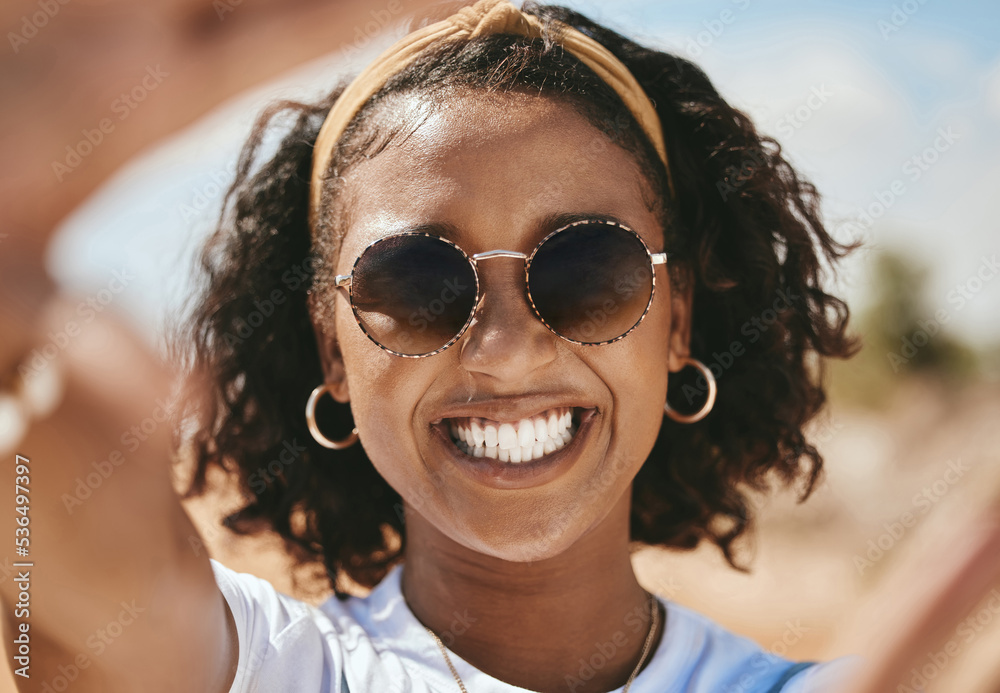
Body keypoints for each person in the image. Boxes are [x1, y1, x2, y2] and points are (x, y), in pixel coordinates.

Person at [14, 0, 991, 691]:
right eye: (412, 281)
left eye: (590, 270)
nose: (507, 351)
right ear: (331, 352)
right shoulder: (248, 670)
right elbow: (52, 566)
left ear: (680, 321)